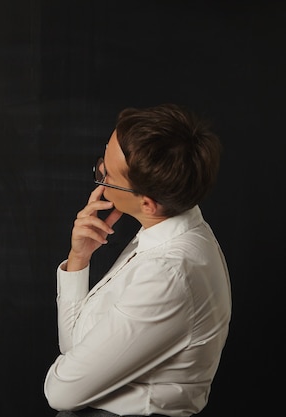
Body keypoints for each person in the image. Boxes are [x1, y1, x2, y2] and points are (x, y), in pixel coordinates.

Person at [43, 103, 232, 417]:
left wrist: (65, 372)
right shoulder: (164, 232)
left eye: (108, 174)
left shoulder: (168, 273)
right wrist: (79, 259)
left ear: (147, 203)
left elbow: (61, 391)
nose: (100, 178)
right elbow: (76, 351)